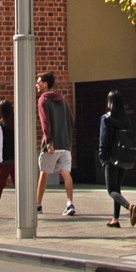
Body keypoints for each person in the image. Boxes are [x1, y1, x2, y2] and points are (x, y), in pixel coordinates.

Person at [98, 90, 136, 228]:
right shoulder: (126, 119)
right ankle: (115, 218)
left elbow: (103, 139)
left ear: (109, 102)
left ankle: (129, 206)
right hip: (124, 158)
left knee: (111, 190)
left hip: (110, 158)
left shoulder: (106, 119)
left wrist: (102, 157)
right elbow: (133, 140)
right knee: (117, 188)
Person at [35, 72, 76, 216]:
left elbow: (45, 123)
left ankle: (38, 205)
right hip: (65, 144)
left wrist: (48, 143)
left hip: (52, 144)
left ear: (45, 84)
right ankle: (70, 203)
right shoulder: (63, 100)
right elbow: (71, 120)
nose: (36, 85)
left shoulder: (43, 100)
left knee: (44, 173)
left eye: (38, 82)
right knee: (66, 173)